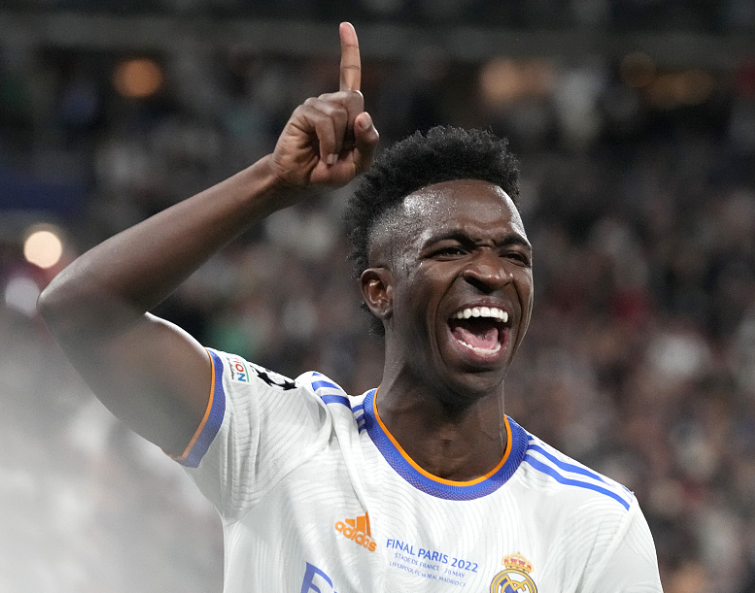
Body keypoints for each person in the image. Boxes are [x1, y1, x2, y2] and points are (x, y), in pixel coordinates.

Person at [38, 22, 663, 593]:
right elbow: (82, 309)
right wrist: (273, 182)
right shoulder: (279, 441)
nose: (491, 272)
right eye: (452, 249)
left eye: (514, 256)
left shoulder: (594, 525)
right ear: (378, 290)